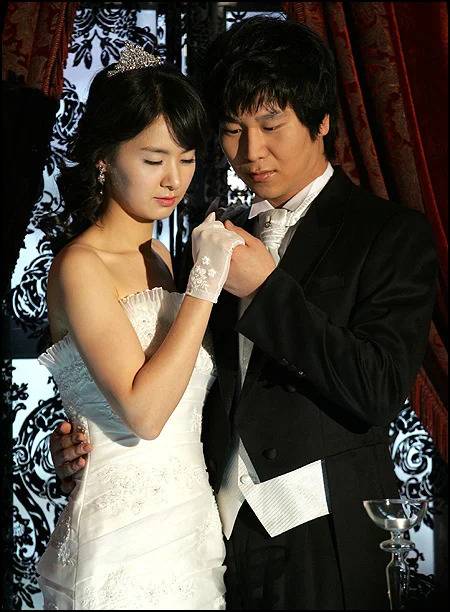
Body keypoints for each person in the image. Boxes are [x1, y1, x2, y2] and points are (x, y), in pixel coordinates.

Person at [50, 17, 437, 611]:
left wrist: (267, 288)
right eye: (233, 130)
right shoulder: (208, 243)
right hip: (213, 537)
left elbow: (378, 387)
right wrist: (90, 441)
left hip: (327, 541)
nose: (251, 152)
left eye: (272, 126)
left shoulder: (388, 234)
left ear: (322, 121)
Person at [36, 42, 244, 610]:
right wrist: (205, 283)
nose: (173, 179)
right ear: (105, 158)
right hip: (120, 542)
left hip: (190, 528)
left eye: (187, 158)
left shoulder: (160, 259)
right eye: (154, 160)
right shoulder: (81, 265)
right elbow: (144, 414)